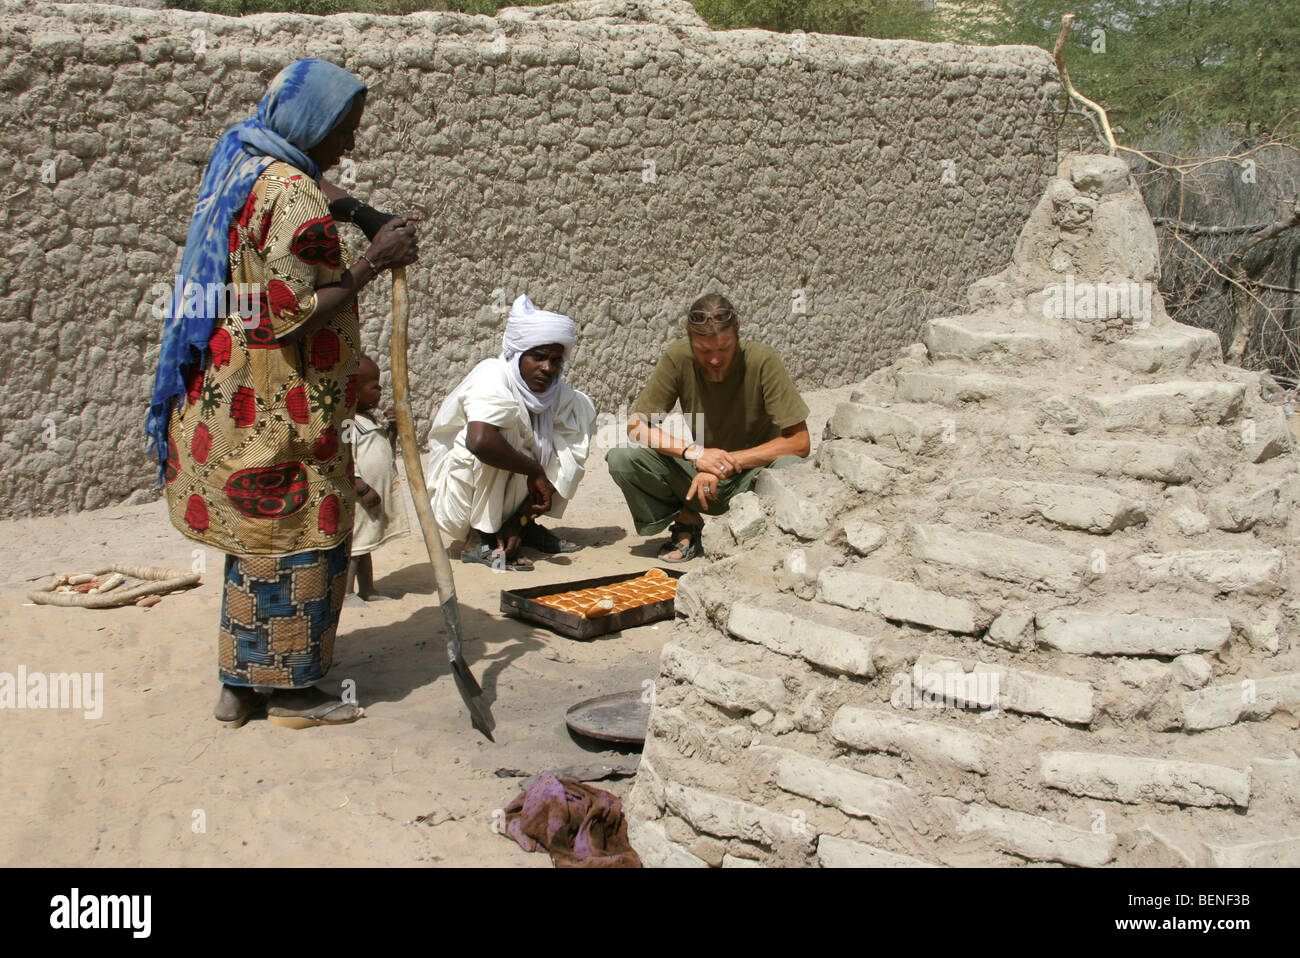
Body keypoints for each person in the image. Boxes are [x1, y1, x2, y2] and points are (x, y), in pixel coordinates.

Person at [145, 59, 418, 729]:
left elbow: (317, 196)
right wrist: (372, 260)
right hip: (288, 400)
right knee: (308, 528)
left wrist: (356, 210)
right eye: (345, 129)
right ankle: (292, 692)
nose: (350, 145)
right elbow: (295, 310)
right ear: (314, 125)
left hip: (236, 390)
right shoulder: (291, 194)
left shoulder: (247, 160)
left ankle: (236, 687)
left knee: (254, 531)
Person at [606, 294, 811, 561]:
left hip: (754, 475)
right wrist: (696, 454)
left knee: (790, 467)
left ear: (737, 328)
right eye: (703, 351)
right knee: (624, 458)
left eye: (724, 349)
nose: (714, 359)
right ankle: (686, 521)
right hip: (699, 476)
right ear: (689, 338)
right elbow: (637, 427)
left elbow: (800, 442)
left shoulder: (763, 361)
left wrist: (725, 463)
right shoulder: (678, 358)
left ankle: (766, 539)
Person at [425, 295, 597, 571]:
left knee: (580, 412)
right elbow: (479, 441)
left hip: (516, 505)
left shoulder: (561, 397)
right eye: (538, 357)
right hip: (458, 502)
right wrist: (534, 471)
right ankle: (478, 538)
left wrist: (519, 520)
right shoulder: (493, 374)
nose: (548, 368)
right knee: (506, 435)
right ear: (518, 354)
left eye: (555, 360)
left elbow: (568, 457)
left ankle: (520, 524)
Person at [345, 356, 409, 602]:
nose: (380, 391)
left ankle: (368, 589)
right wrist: (361, 488)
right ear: (354, 392)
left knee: (367, 544)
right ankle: (348, 592)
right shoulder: (348, 423)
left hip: (374, 494)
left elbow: (387, 452)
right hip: (360, 497)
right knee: (356, 546)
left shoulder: (370, 420)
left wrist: (392, 429)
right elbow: (346, 461)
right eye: (374, 386)